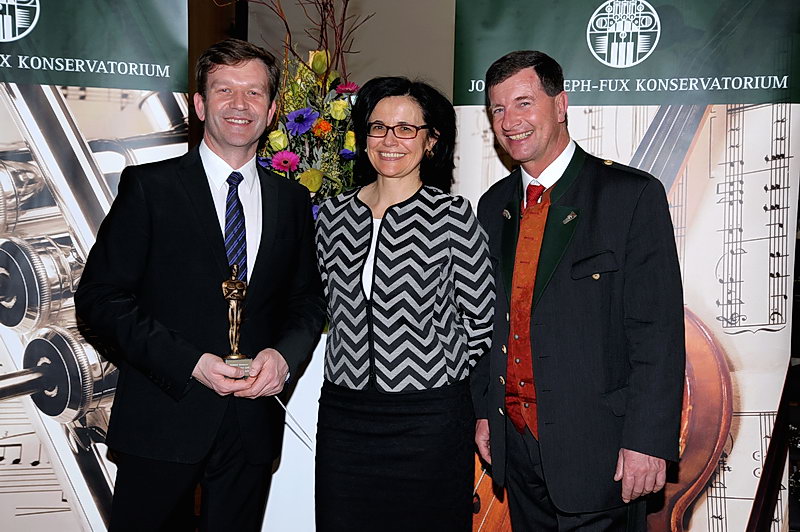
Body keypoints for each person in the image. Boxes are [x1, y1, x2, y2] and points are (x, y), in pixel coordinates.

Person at [75, 38, 325, 531]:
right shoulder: (149, 188)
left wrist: (283, 358)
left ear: (272, 110)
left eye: (253, 92)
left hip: (251, 426)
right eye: (224, 90)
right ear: (199, 104)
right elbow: (100, 300)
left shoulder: (292, 200)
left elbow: (307, 301)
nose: (239, 104)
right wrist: (190, 363)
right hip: (163, 419)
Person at [471, 50, 685, 531]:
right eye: (498, 109)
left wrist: (647, 441)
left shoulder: (629, 196)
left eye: (524, 103)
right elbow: (488, 322)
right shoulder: (492, 206)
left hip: (602, 454)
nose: (510, 121)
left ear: (561, 104)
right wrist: (487, 412)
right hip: (517, 450)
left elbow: (657, 333)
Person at [314, 77, 495, 532]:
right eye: (378, 127)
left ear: (431, 141)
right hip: (345, 416)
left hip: (429, 418)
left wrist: (435, 369)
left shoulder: (452, 216)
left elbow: (481, 319)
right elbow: (318, 304)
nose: (389, 140)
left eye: (406, 129)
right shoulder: (333, 216)